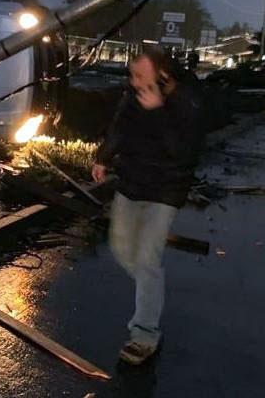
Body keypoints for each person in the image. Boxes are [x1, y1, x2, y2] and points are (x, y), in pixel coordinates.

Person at [91, 48, 207, 366]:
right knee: (122, 249)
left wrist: (157, 112)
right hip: (131, 184)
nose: (134, 81)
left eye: (141, 75)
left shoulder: (187, 100)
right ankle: (151, 287)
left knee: (146, 258)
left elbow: (183, 151)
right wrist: (103, 157)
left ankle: (144, 335)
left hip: (165, 192)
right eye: (132, 74)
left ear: (162, 74)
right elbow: (120, 127)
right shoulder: (133, 95)